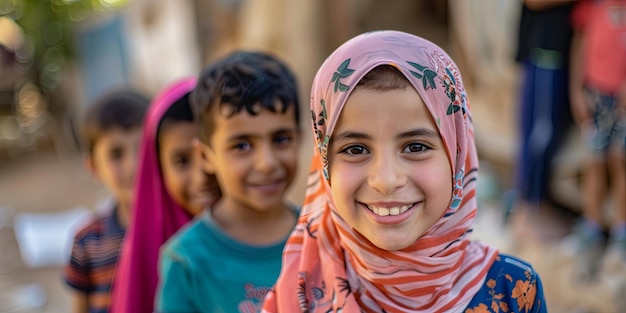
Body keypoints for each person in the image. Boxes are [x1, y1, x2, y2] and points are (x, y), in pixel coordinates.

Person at [262, 30, 547, 313]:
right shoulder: (298, 296)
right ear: (324, 164)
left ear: (458, 154)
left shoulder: (514, 289)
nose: (386, 180)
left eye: (415, 147)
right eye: (356, 150)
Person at [155, 51, 302, 313]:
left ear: (300, 139)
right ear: (205, 156)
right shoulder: (187, 261)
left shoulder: (327, 237)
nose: (266, 163)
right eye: (242, 145)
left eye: (281, 139)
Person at [109, 77, 216, 313]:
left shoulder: (263, 234)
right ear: (156, 169)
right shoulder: (143, 256)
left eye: (210, 152)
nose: (201, 177)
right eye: (182, 161)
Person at [63, 88, 150, 313]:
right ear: (93, 167)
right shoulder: (87, 241)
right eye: (116, 154)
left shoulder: (179, 230)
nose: (134, 165)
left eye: (143, 149)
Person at [561, 0, 626, 281]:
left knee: (620, 163)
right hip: (595, 97)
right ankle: (592, 226)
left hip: (623, 101)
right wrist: (576, 91)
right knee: (594, 161)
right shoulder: (591, 7)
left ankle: (621, 233)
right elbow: (579, 47)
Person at [507, 0, 576, 238]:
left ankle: (530, 205)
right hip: (546, 48)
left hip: (555, 47)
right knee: (541, 130)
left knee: (538, 129)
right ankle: (530, 210)